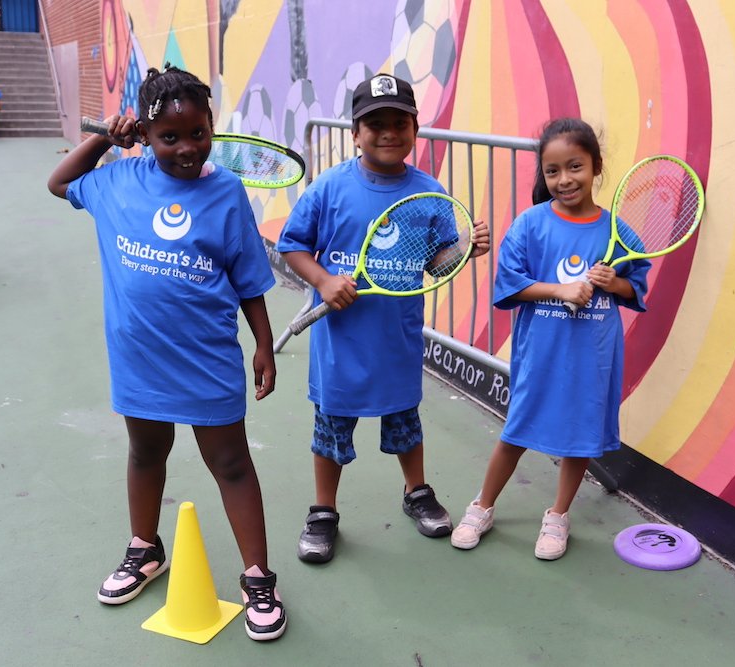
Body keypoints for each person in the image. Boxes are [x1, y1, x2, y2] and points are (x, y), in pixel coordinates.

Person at [46, 65, 286, 641]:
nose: (186, 148)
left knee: (231, 464)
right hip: (139, 358)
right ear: (145, 137)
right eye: (168, 137)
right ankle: (144, 549)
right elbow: (58, 183)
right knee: (144, 452)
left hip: (207, 359)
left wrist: (263, 344)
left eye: (197, 133)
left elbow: (248, 279)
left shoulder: (226, 192)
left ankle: (259, 578)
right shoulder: (117, 181)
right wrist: (105, 136)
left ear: (211, 127)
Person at [276, 73, 490, 564]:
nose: (389, 132)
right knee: (330, 430)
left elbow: (436, 262)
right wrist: (325, 280)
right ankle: (323, 511)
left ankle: (416, 492)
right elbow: (293, 244)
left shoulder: (429, 193)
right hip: (341, 347)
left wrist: (462, 250)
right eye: (376, 124)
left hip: (397, 342)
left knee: (405, 424)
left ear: (415, 129)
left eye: (400, 122)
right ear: (355, 132)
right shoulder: (330, 187)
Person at [449, 118, 651, 559]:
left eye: (575, 167)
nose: (564, 180)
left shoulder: (615, 230)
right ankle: (482, 505)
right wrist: (559, 289)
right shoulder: (530, 224)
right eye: (552, 171)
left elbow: (636, 287)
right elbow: (509, 285)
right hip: (540, 352)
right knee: (517, 429)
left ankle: (558, 515)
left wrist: (612, 282)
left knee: (582, 434)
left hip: (594, 354)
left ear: (597, 166)